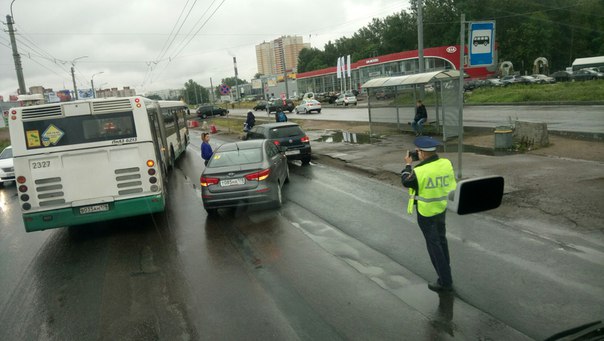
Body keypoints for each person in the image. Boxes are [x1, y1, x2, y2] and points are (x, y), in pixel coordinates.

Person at [401, 136, 457, 293]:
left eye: (418, 151)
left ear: (423, 153)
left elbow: (406, 181)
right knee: (442, 241)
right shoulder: (446, 163)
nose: (416, 153)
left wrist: (407, 164)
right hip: (441, 208)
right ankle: (447, 274)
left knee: (434, 246)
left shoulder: (419, 171)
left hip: (426, 212)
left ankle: (445, 282)